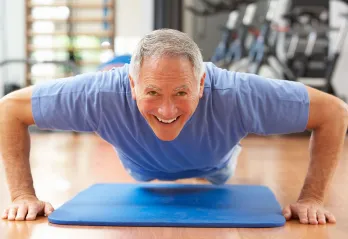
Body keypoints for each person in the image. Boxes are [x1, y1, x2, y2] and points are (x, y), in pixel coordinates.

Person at [0, 29, 347, 225]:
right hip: (142, 167)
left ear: (202, 82)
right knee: (146, 170)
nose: (167, 109)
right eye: (152, 92)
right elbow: (10, 109)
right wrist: (22, 195)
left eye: (182, 91)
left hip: (215, 164)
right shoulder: (99, 94)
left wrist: (312, 198)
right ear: (132, 85)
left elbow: (333, 112)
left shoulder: (238, 94)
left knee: (218, 171)